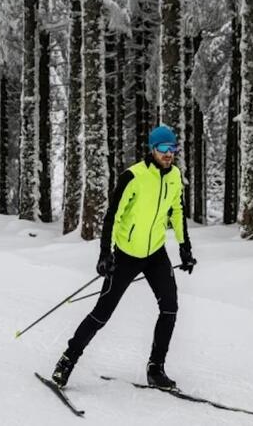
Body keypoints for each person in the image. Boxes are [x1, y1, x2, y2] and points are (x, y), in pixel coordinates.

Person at [50, 125, 196, 389]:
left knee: (170, 307)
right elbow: (112, 216)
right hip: (126, 255)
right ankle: (66, 361)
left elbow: (177, 210)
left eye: (172, 149)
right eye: (163, 148)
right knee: (102, 313)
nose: (168, 154)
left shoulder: (175, 176)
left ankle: (156, 369)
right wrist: (106, 253)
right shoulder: (133, 176)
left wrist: (185, 248)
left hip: (156, 253)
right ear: (152, 149)